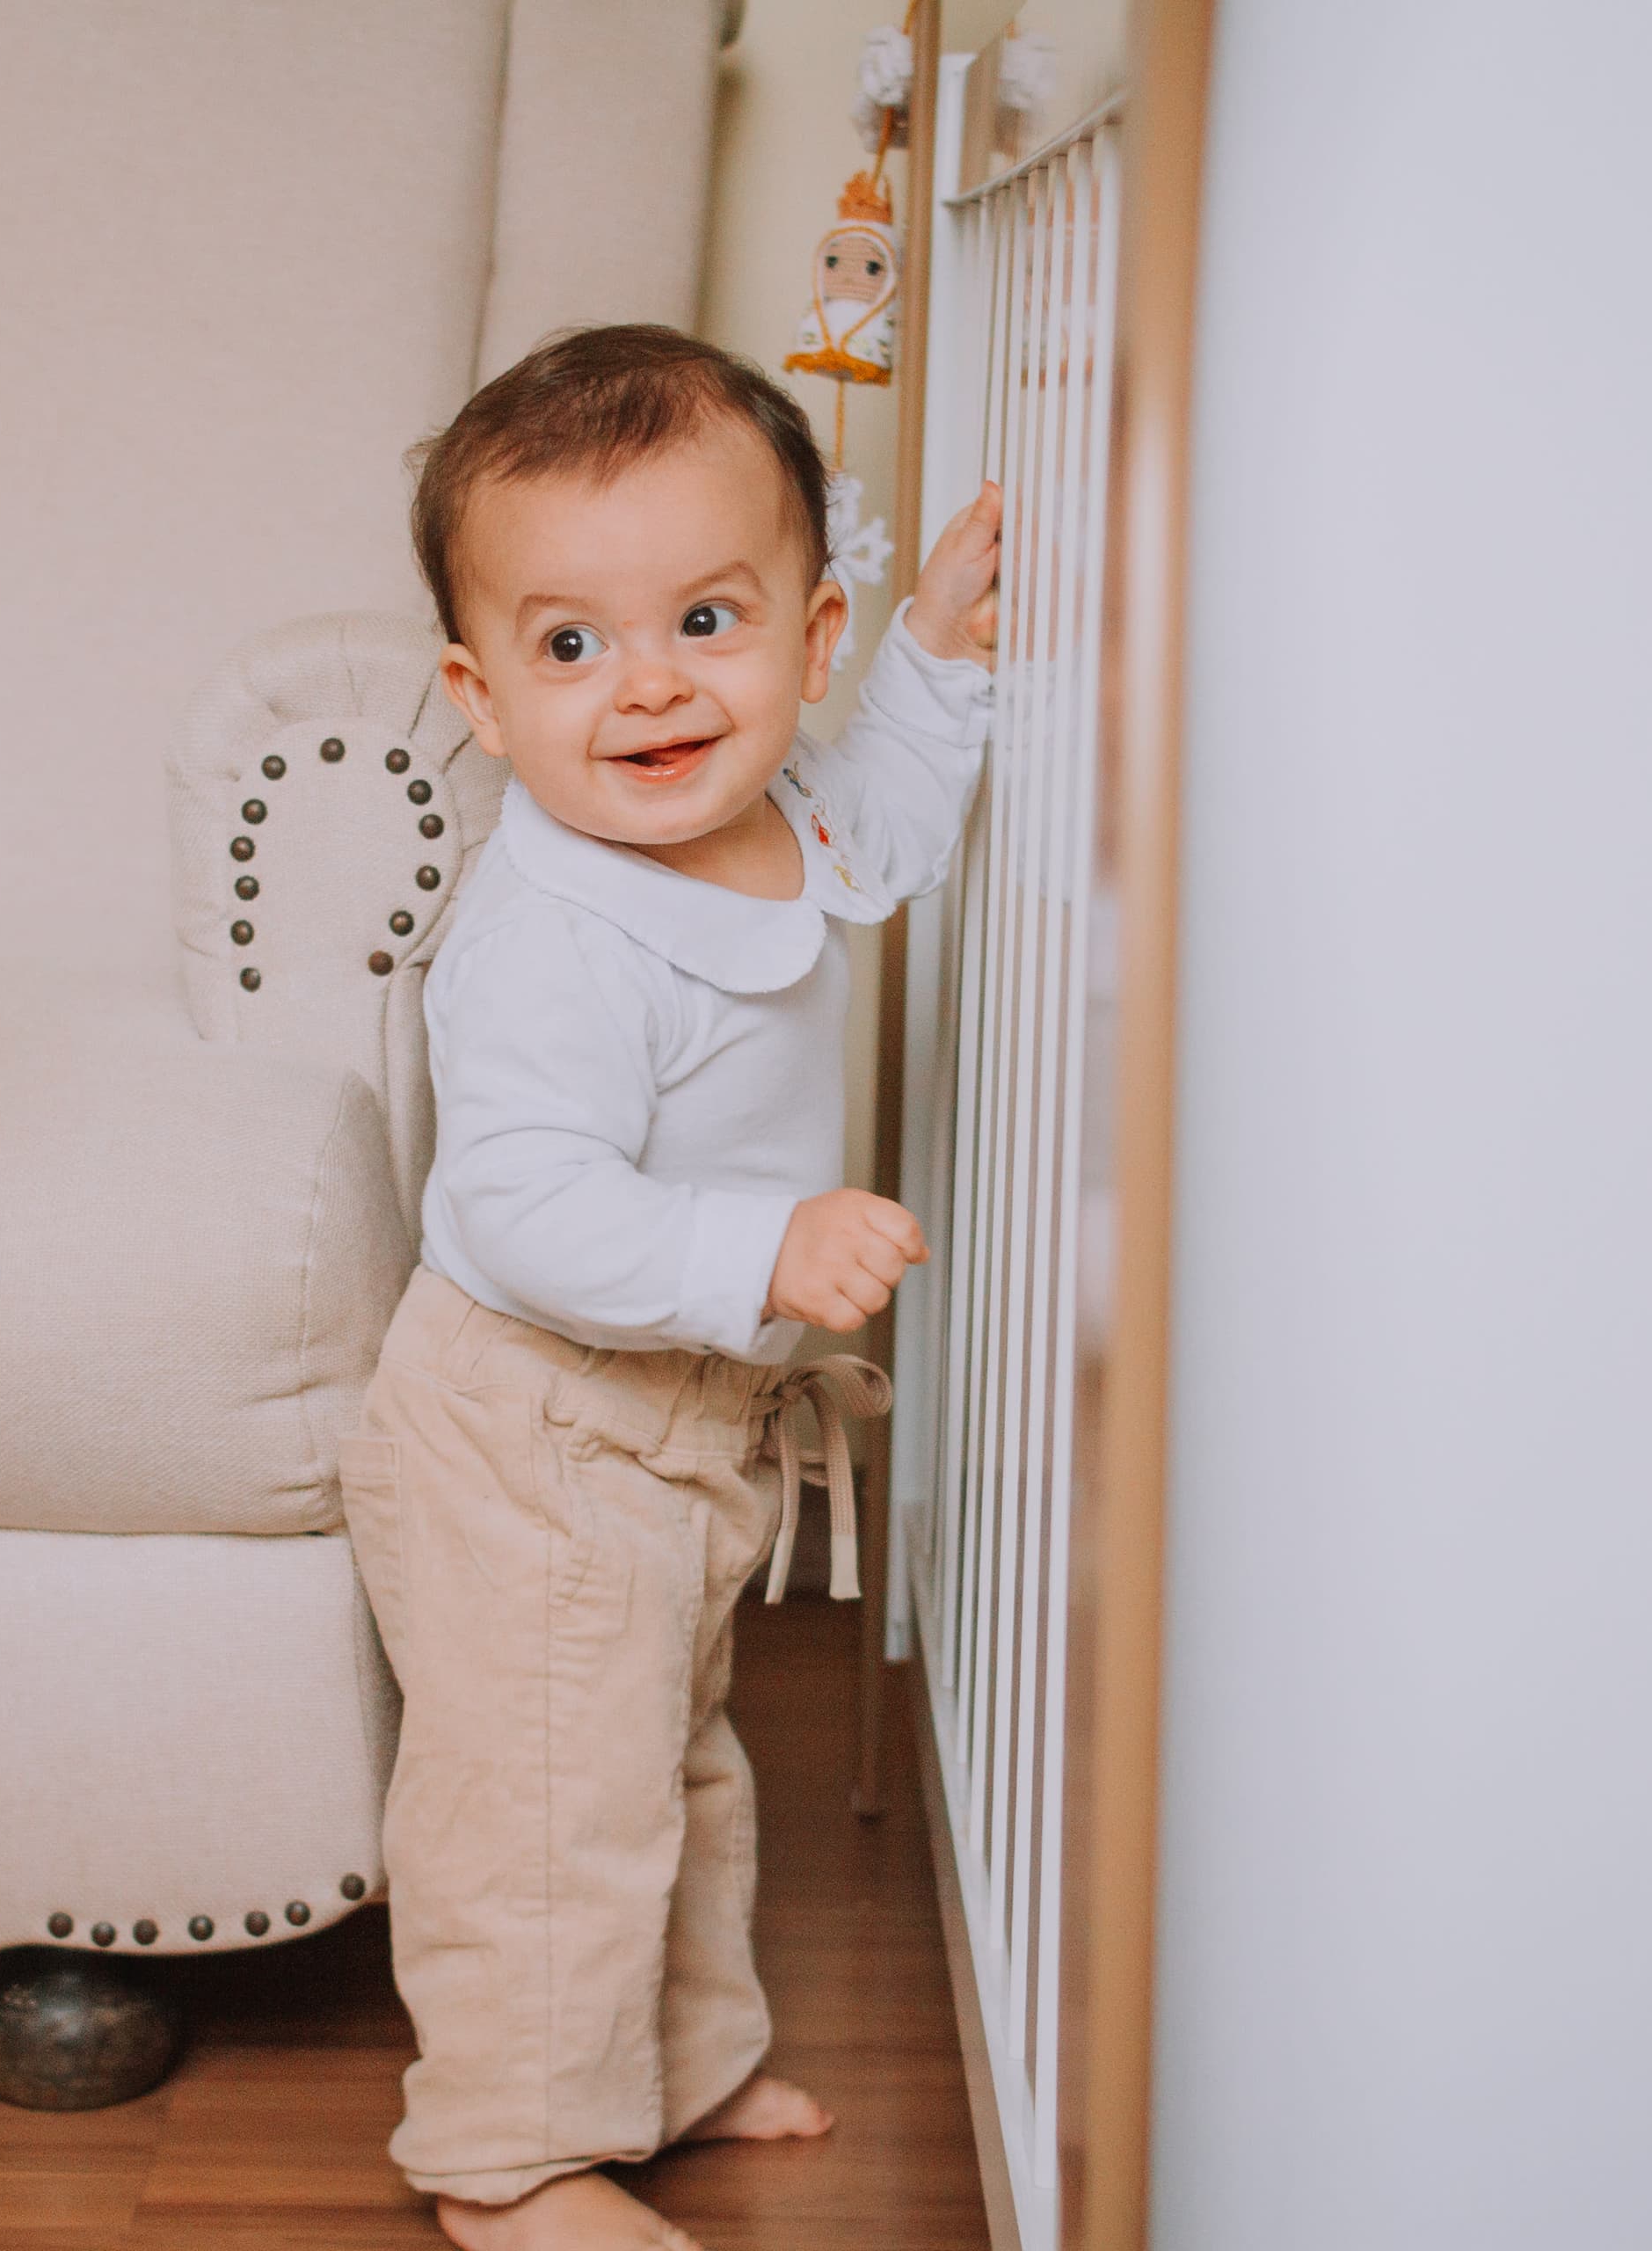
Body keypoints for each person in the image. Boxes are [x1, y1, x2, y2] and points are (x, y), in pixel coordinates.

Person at [341, 322, 1001, 2251]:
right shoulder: (552, 932)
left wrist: (943, 663)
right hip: (529, 1418)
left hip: (671, 1418)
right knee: (552, 1801)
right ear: (479, 691)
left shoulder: (774, 811)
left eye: (706, 618)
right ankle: (514, 2156)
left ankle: (681, 2067)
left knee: (680, 1755)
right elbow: (528, 1202)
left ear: (809, 633)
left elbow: (880, 821)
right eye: (569, 646)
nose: (643, 685)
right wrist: (762, 1250)